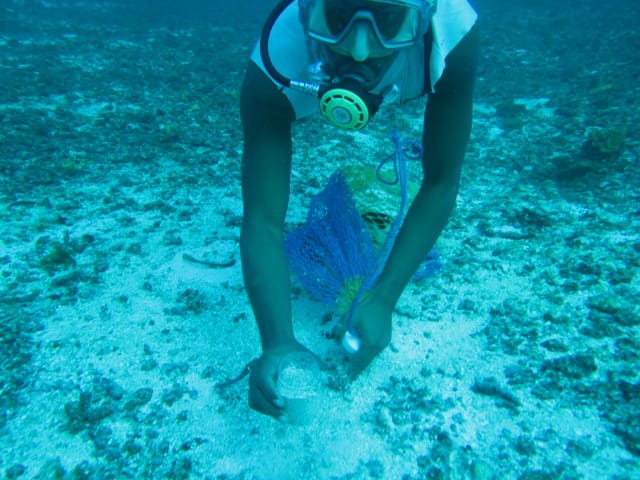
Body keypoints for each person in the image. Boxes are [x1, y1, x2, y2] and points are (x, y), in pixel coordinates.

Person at [239, 0, 479, 418]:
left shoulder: (452, 35)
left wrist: (384, 298)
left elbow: (441, 184)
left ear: (424, 20)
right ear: (305, 12)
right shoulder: (276, 59)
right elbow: (261, 218)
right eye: (337, 16)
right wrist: (276, 340)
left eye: (389, 20)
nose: (361, 50)